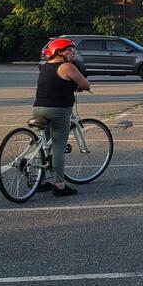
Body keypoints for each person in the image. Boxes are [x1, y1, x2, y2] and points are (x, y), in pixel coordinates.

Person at [32, 38, 91, 196]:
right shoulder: (67, 67)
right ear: (59, 52)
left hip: (38, 109)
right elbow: (86, 84)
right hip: (58, 110)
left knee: (43, 145)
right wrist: (78, 85)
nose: (72, 53)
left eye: (72, 50)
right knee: (58, 146)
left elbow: (53, 83)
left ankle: (41, 181)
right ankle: (59, 185)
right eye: (69, 50)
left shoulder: (44, 66)